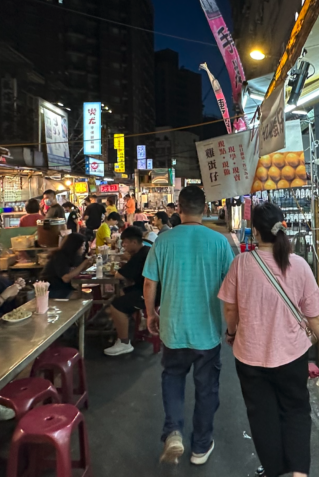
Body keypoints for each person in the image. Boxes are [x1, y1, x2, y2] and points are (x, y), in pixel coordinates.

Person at [219, 202, 319, 477]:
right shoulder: (298, 265)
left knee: (262, 416)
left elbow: (230, 308)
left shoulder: (241, 264)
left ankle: (275, 471)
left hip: (249, 355)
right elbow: (316, 315)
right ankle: (298, 473)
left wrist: (232, 333)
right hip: (292, 355)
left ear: (255, 232)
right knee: (295, 410)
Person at [144, 185, 234, 465]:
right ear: (205, 209)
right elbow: (232, 290)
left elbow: (149, 282)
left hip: (173, 329)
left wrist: (150, 314)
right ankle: (200, 446)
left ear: (178, 209)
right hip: (207, 332)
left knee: (172, 378)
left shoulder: (163, 241)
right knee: (206, 389)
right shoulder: (218, 242)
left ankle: (173, 431)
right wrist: (232, 327)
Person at [104, 227, 152, 356]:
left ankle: (124, 342)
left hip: (150, 293)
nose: (123, 245)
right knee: (123, 292)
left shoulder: (140, 255)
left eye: (125, 242)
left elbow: (119, 275)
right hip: (149, 289)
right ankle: (138, 319)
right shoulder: (145, 251)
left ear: (134, 242)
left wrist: (117, 269)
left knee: (116, 306)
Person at [40, 233, 94, 299]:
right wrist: (84, 264)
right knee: (85, 297)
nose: (84, 248)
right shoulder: (60, 257)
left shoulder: (74, 257)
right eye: (82, 246)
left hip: (62, 288)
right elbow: (66, 278)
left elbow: (74, 272)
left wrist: (87, 265)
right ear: (75, 246)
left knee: (89, 295)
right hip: (51, 289)